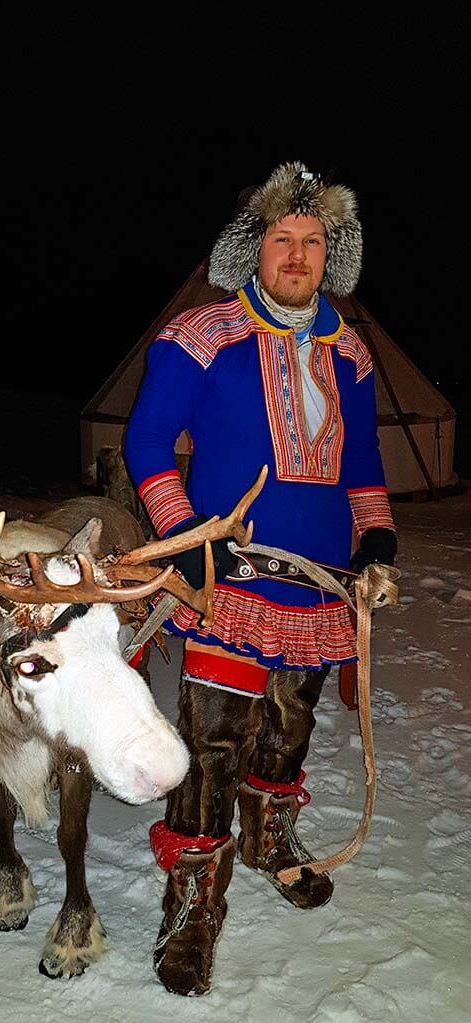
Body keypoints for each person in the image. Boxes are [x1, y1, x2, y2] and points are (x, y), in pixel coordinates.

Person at [123, 162, 397, 997]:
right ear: (255, 248)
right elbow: (146, 445)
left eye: (315, 242)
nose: (299, 255)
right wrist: (182, 537)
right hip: (228, 584)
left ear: (331, 255)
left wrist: (376, 537)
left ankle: (270, 840)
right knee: (209, 749)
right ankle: (192, 905)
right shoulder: (201, 337)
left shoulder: (350, 352)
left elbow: (361, 460)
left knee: (290, 728)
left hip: (319, 589)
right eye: (284, 239)